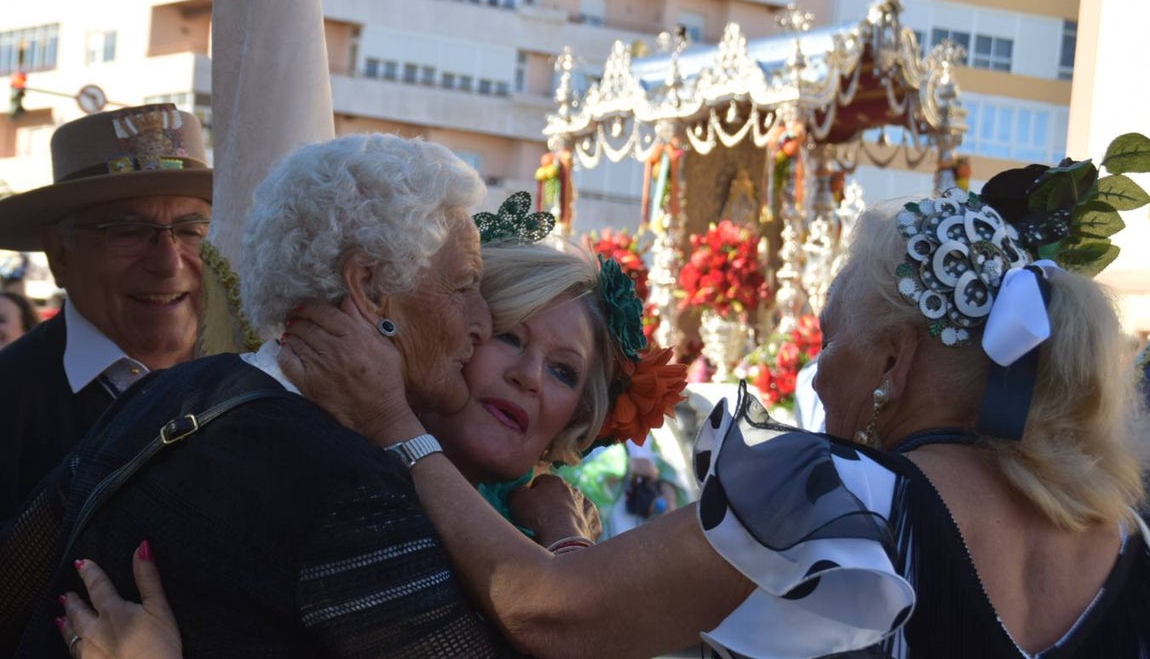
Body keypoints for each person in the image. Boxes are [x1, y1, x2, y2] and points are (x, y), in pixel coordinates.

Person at [57, 182, 1150, 657]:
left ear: (898, 361)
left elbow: (554, 615)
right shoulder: (1126, 545)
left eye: (834, 345)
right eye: (503, 331)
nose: (817, 380)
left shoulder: (848, 494)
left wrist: (403, 430)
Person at [3, 133, 538, 658]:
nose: (483, 324)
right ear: (370, 288)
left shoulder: (171, 388)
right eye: (465, 286)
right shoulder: (351, 489)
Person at [0, 104, 212, 519]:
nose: (169, 263)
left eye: (191, 231)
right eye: (128, 232)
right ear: (60, 256)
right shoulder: (9, 401)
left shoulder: (271, 373)